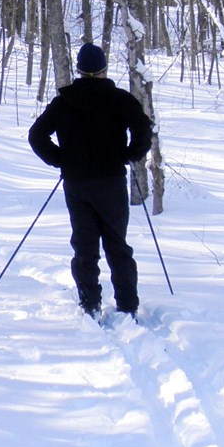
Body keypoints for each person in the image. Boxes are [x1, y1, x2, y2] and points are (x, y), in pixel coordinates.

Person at [27, 43, 153, 317]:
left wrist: (62, 159)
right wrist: (131, 154)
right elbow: (144, 127)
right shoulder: (119, 99)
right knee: (117, 244)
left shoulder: (64, 101)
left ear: (79, 70)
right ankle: (127, 306)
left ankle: (90, 303)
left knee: (85, 245)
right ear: (104, 68)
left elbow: (36, 136)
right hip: (111, 181)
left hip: (77, 183)